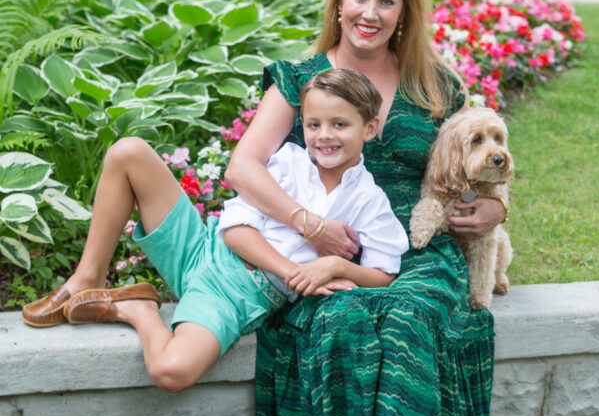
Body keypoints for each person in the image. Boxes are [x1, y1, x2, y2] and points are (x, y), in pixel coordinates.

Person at [225, 0, 508, 416]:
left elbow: (483, 163)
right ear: (340, 1)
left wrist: (495, 209)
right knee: (349, 314)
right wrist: (310, 225)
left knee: (411, 312)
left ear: (404, 11)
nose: (370, 12)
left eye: (387, 0)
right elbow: (242, 167)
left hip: (423, 243)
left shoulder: (436, 85)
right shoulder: (302, 79)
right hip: (326, 240)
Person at [22, 69, 409, 398]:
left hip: (236, 295)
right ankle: (88, 277)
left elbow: (383, 274)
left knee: (170, 372)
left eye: (339, 124)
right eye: (313, 124)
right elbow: (235, 234)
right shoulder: (289, 164)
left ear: (370, 127)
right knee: (128, 152)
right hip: (200, 247)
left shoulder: (369, 201)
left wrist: (331, 267)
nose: (324, 136)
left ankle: (138, 309)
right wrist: (296, 270)